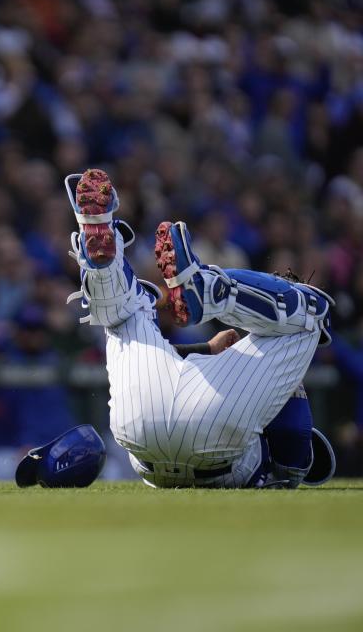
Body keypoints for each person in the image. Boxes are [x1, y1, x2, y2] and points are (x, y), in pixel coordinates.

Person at [64, 168, 335, 489]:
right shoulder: (257, 416)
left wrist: (284, 380)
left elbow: (293, 435)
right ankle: (203, 288)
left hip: (142, 429)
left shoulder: (253, 420)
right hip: (179, 453)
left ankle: (111, 266)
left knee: (127, 311)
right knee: (308, 320)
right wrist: (208, 350)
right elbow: (292, 435)